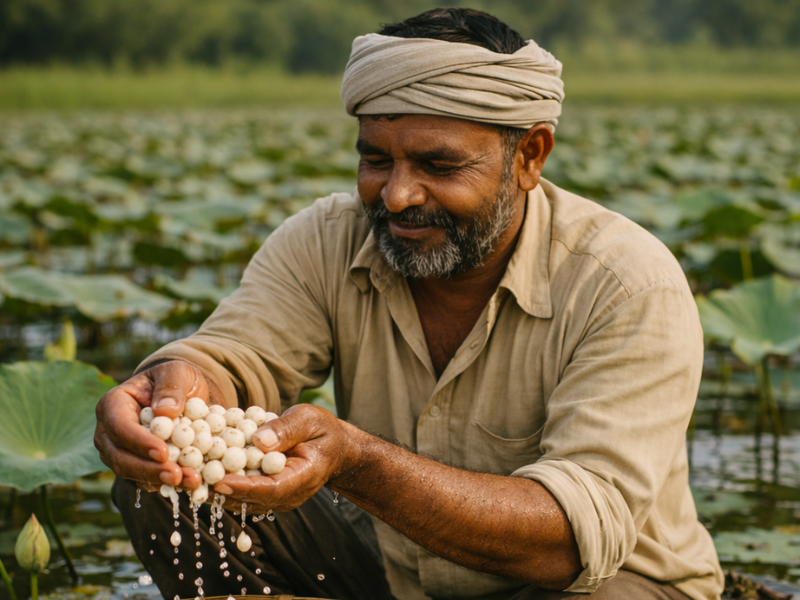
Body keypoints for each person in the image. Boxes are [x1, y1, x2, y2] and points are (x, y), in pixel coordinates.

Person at [94, 7, 724, 600]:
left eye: (437, 165)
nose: (395, 196)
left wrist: (356, 461)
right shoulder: (325, 239)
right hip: (395, 573)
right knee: (169, 473)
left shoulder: (627, 284)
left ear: (528, 156)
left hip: (595, 585)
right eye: (375, 159)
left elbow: (568, 541)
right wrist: (178, 389)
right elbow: (235, 357)